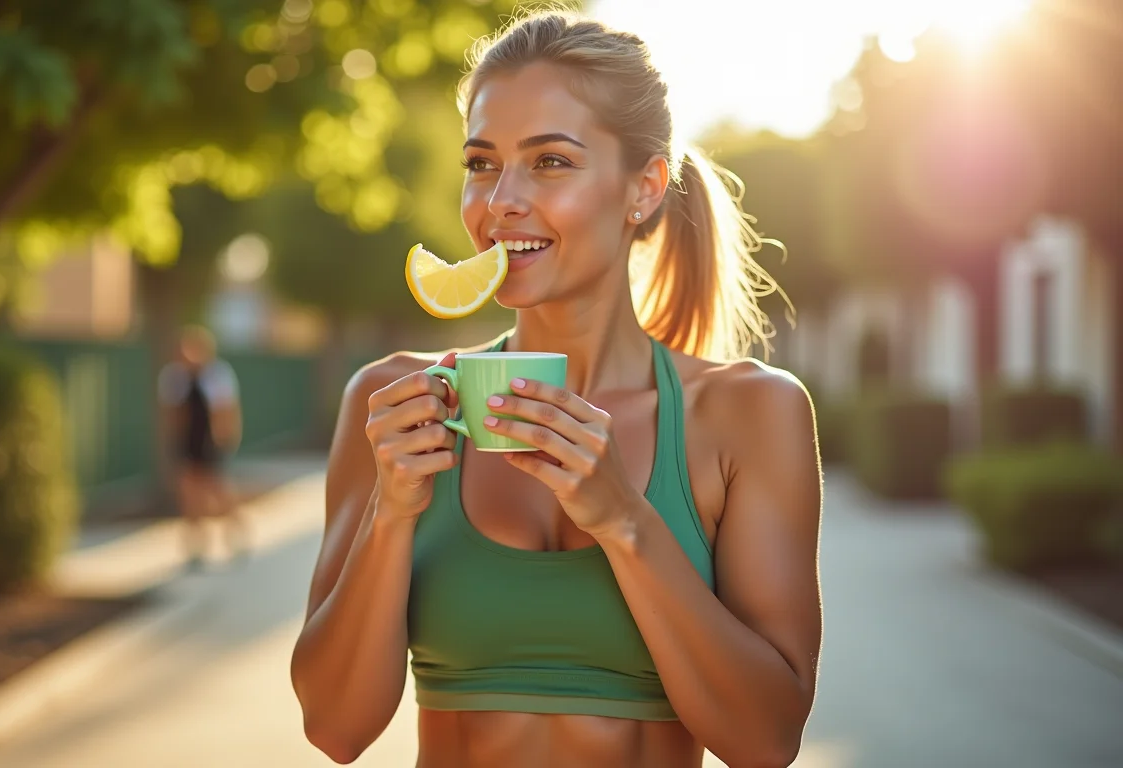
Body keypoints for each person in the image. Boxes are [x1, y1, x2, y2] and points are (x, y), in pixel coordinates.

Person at [291, 10, 823, 768]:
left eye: (549, 162)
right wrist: (391, 513)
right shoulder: (396, 402)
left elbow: (766, 741)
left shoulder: (747, 414)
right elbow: (335, 729)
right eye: (481, 163)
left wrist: (626, 521)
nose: (499, 200)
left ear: (643, 189)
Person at [157, 325, 248, 569]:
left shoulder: (218, 375)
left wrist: (226, 439)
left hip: (211, 442)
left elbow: (227, 411)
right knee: (189, 495)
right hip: (187, 443)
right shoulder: (174, 377)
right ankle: (196, 547)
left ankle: (237, 535)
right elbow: (172, 414)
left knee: (219, 492)